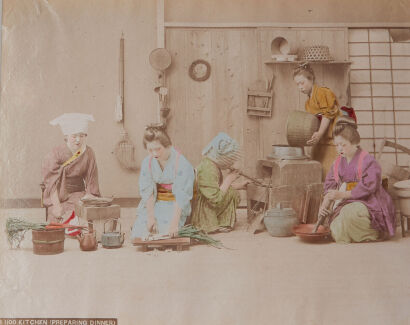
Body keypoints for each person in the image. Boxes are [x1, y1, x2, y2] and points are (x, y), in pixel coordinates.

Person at [318, 117, 395, 243]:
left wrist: (342, 194)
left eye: (343, 145)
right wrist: (325, 204)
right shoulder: (337, 163)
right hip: (347, 200)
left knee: (349, 214)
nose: (339, 149)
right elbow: (330, 186)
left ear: (354, 143)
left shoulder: (367, 160)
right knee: (336, 228)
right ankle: (354, 234)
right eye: (336, 145)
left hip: (370, 200)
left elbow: (369, 186)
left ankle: (375, 233)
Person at [131, 124, 195, 239]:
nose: (154, 153)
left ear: (168, 146)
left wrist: (175, 223)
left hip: (175, 205)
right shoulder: (148, 163)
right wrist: (151, 217)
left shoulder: (181, 163)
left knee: (166, 232)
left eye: (158, 149)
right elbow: (148, 192)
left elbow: (181, 196)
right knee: (141, 231)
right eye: (150, 150)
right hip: (155, 202)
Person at [42, 113, 101, 234]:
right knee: (57, 215)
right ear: (66, 136)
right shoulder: (56, 153)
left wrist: (90, 197)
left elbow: (91, 179)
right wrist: (57, 205)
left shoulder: (88, 152)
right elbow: (51, 182)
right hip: (58, 193)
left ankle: (76, 227)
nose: (78, 140)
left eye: (82, 136)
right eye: (74, 136)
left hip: (78, 193)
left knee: (85, 211)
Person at [190, 132, 250, 233]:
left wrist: (240, 185)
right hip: (202, 211)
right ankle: (220, 223)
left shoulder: (211, 164)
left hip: (205, 202)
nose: (231, 163)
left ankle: (220, 220)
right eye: (230, 159)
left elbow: (217, 188)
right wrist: (229, 179)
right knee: (232, 194)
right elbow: (215, 198)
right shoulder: (208, 169)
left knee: (231, 191)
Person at [293, 63, 343, 178]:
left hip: (335, 137)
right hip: (322, 139)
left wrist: (319, 133)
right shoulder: (308, 103)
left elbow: (327, 115)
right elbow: (313, 123)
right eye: (297, 84)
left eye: (302, 83)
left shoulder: (322, 92)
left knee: (332, 173)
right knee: (315, 169)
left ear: (311, 79)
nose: (300, 87)